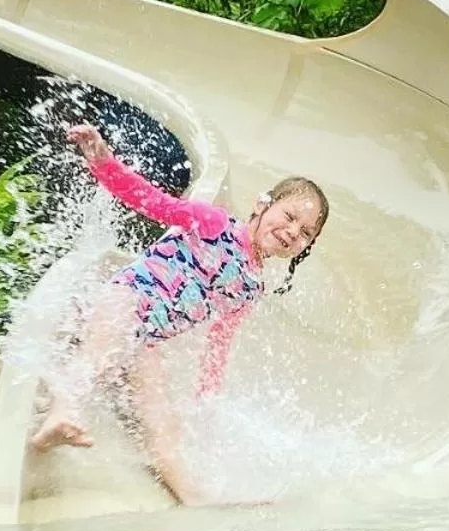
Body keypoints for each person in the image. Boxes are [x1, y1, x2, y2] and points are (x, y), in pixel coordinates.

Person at [30, 124, 330, 502]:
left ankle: (193, 495)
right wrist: (104, 163)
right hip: (125, 299)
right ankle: (62, 411)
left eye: (304, 233)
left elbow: (219, 346)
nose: (291, 232)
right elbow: (150, 201)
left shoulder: (250, 287)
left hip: (146, 342)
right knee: (99, 357)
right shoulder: (214, 224)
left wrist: (208, 402)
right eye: (288, 216)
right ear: (262, 203)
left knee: (163, 423)